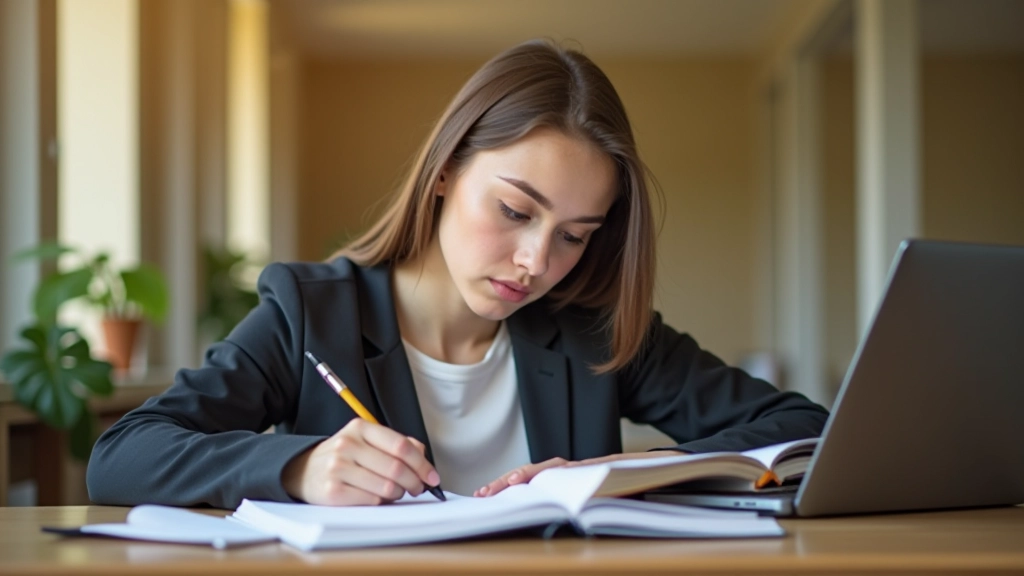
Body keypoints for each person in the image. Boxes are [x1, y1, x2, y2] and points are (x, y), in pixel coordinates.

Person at [86, 39, 828, 509]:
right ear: (443, 174)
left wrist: (628, 472)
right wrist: (300, 467)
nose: (539, 263)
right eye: (513, 211)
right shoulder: (313, 313)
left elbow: (802, 429)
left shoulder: (592, 327)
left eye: (574, 235)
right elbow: (124, 457)